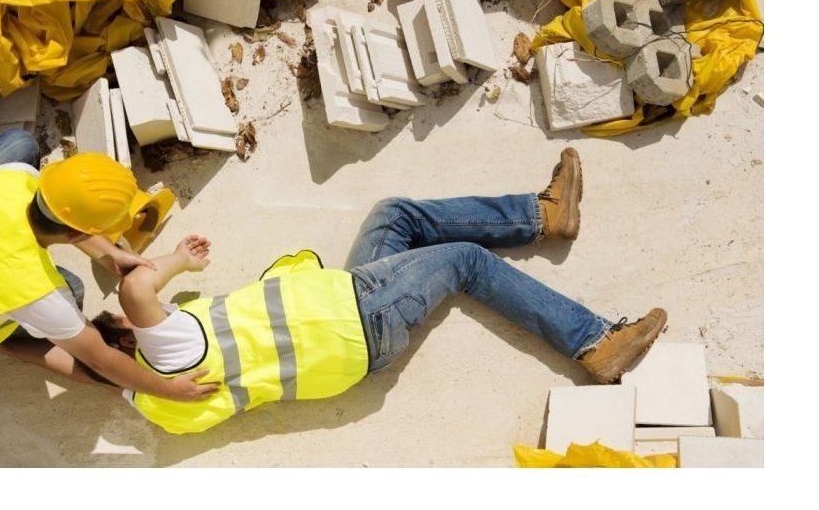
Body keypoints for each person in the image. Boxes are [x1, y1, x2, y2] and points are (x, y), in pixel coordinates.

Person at [93, 147, 667, 434]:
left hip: (349, 324)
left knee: (394, 216)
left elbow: (86, 363)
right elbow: (138, 289)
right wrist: (176, 261)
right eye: (129, 326)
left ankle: (545, 215)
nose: (155, 312)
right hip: (358, 315)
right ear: (127, 342)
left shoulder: (156, 405)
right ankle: (594, 342)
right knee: (466, 261)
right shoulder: (169, 350)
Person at [0, 128, 217, 403]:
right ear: (79, 232)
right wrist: (169, 390)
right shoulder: (40, 293)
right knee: (74, 292)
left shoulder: (15, 177)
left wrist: (109, 253)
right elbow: (101, 361)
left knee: (20, 143)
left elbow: (62, 217)